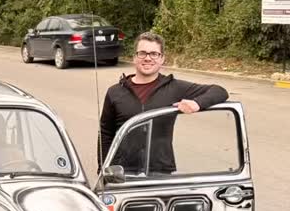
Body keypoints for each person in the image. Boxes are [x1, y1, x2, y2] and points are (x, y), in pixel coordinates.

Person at [98, 31, 229, 174]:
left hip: (161, 172)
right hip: (122, 173)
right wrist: (104, 170)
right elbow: (105, 134)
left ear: (162, 59)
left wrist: (197, 103)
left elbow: (220, 91)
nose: (148, 58)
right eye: (142, 53)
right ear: (134, 57)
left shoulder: (174, 87)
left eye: (154, 54)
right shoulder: (115, 92)